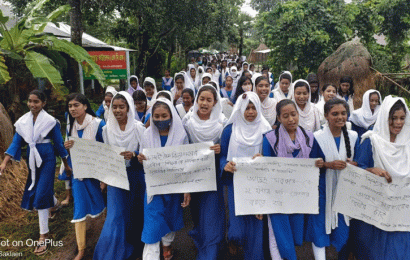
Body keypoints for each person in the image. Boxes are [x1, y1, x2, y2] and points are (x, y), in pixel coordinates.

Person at [0, 90, 71, 256]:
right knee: (41, 191)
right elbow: (16, 143)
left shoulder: (50, 121)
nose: (32, 105)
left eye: (36, 101)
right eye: (30, 101)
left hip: (47, 159)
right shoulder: (23, 122)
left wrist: (66, 164)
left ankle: (43, 236)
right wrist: (4, 163)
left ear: (43, 103)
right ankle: (56, 205)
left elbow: (59, 144)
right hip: (33, 160)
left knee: (40, 196)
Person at [262, 99, 323, 260]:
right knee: (277, 234)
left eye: (294, 114)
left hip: (299, 196)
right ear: (279, 118)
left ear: (298, 114)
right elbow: (267, 166)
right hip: (277, 196)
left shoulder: (309, 137)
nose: (291, 119)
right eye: (286, 116)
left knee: (295, 234)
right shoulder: (269, 138)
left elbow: (317, 161)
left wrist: (318, 163)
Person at [351, 95, 410, 260]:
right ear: (385, 118)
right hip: (376, 214)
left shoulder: (408, 144)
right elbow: (357, 171)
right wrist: (372, 170)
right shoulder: (371, 142)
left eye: (402, 118)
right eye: (394, 118)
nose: (398, 123)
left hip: (401, 214)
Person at [94, 92, 146, 260]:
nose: (117, 110)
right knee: (115, 214)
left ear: (128, 108)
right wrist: (104, 178)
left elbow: (146, 152)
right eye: (114, 107)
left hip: (136, 175)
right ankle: (110, 254)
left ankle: (135, 248)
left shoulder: (138, 128)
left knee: (135, 212)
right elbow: (105, 154)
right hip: (116, 177)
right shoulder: (106, 129)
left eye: (121, 107)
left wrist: (135, 154)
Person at [305, 98, 359, 260]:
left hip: (344, 191)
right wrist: (327, 164)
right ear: (326, 115)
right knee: (319, 227)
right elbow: (309, 164)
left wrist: (354, 165)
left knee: (343, 229)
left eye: (343, 113)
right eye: (335, 114)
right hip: (322, 190)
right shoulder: (317, 137)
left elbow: (362, 164)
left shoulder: (354, 136)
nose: (340, 117)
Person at [220, 92, 272, 260]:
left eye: (254, 108)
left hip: (259, 185)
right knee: (237, 229)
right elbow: (222, 155)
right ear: (240, 109)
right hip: (236, 184)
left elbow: (273, 156)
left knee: (256, 226)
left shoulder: (266, 131)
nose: (250, 112)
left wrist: (264, 158)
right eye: (247, 108)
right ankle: (233, 240)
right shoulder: (230, 130)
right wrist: (224, 165)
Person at [138, 98, 191, 260]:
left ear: (171, 116)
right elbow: (143, 158)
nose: (160, 120)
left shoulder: (181, 135)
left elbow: (186, 163)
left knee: (170, 217)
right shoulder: (147, 135)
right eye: (157, 116)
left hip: (173, 188)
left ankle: (167, 244)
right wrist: (141, 160)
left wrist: (187, 190)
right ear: (152, 116)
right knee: (152, 225)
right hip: (153, 188)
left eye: (164, 116)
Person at [182, 85, 226, 260]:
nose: (205, 103)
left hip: (214, 173)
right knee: (197, 211)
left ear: (215, 103)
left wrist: (221, 149)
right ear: (196, 100)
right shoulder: (187, 122)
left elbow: (230, 147)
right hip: (194, 171)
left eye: (209, 100)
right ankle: (203, 238)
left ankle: (210, 252)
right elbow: (181, 145)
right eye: (202, 99)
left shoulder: (222, 123)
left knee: (212, 212)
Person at [63, 93, 106, 260]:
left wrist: (104, 178)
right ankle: (81, 250)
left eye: (76, 105)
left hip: (95, 175)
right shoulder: (70, 126)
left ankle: (101, 240)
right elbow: (68, 149)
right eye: (70, 106)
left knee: (100, 206)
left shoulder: (98, 124)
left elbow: (106, 150)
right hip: (78, 174)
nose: (72, 109)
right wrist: (66, 146)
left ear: (85, 106)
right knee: (79, 209)